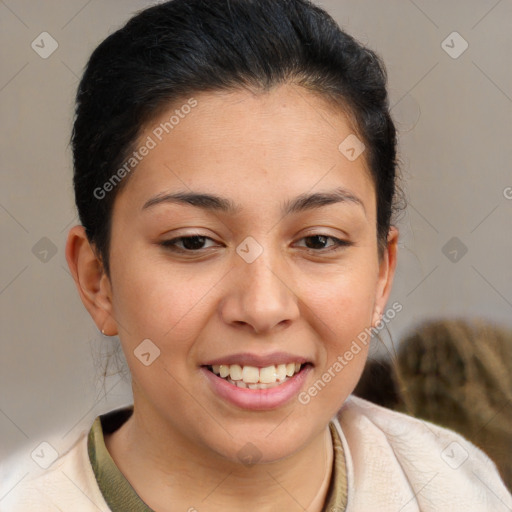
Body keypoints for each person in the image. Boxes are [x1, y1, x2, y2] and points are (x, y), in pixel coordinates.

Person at [3, 1, 511, 510]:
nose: (263, 307)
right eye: (193, 241)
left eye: (318, 241)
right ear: (98, 280)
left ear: (381, 275)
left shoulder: (455, 488)